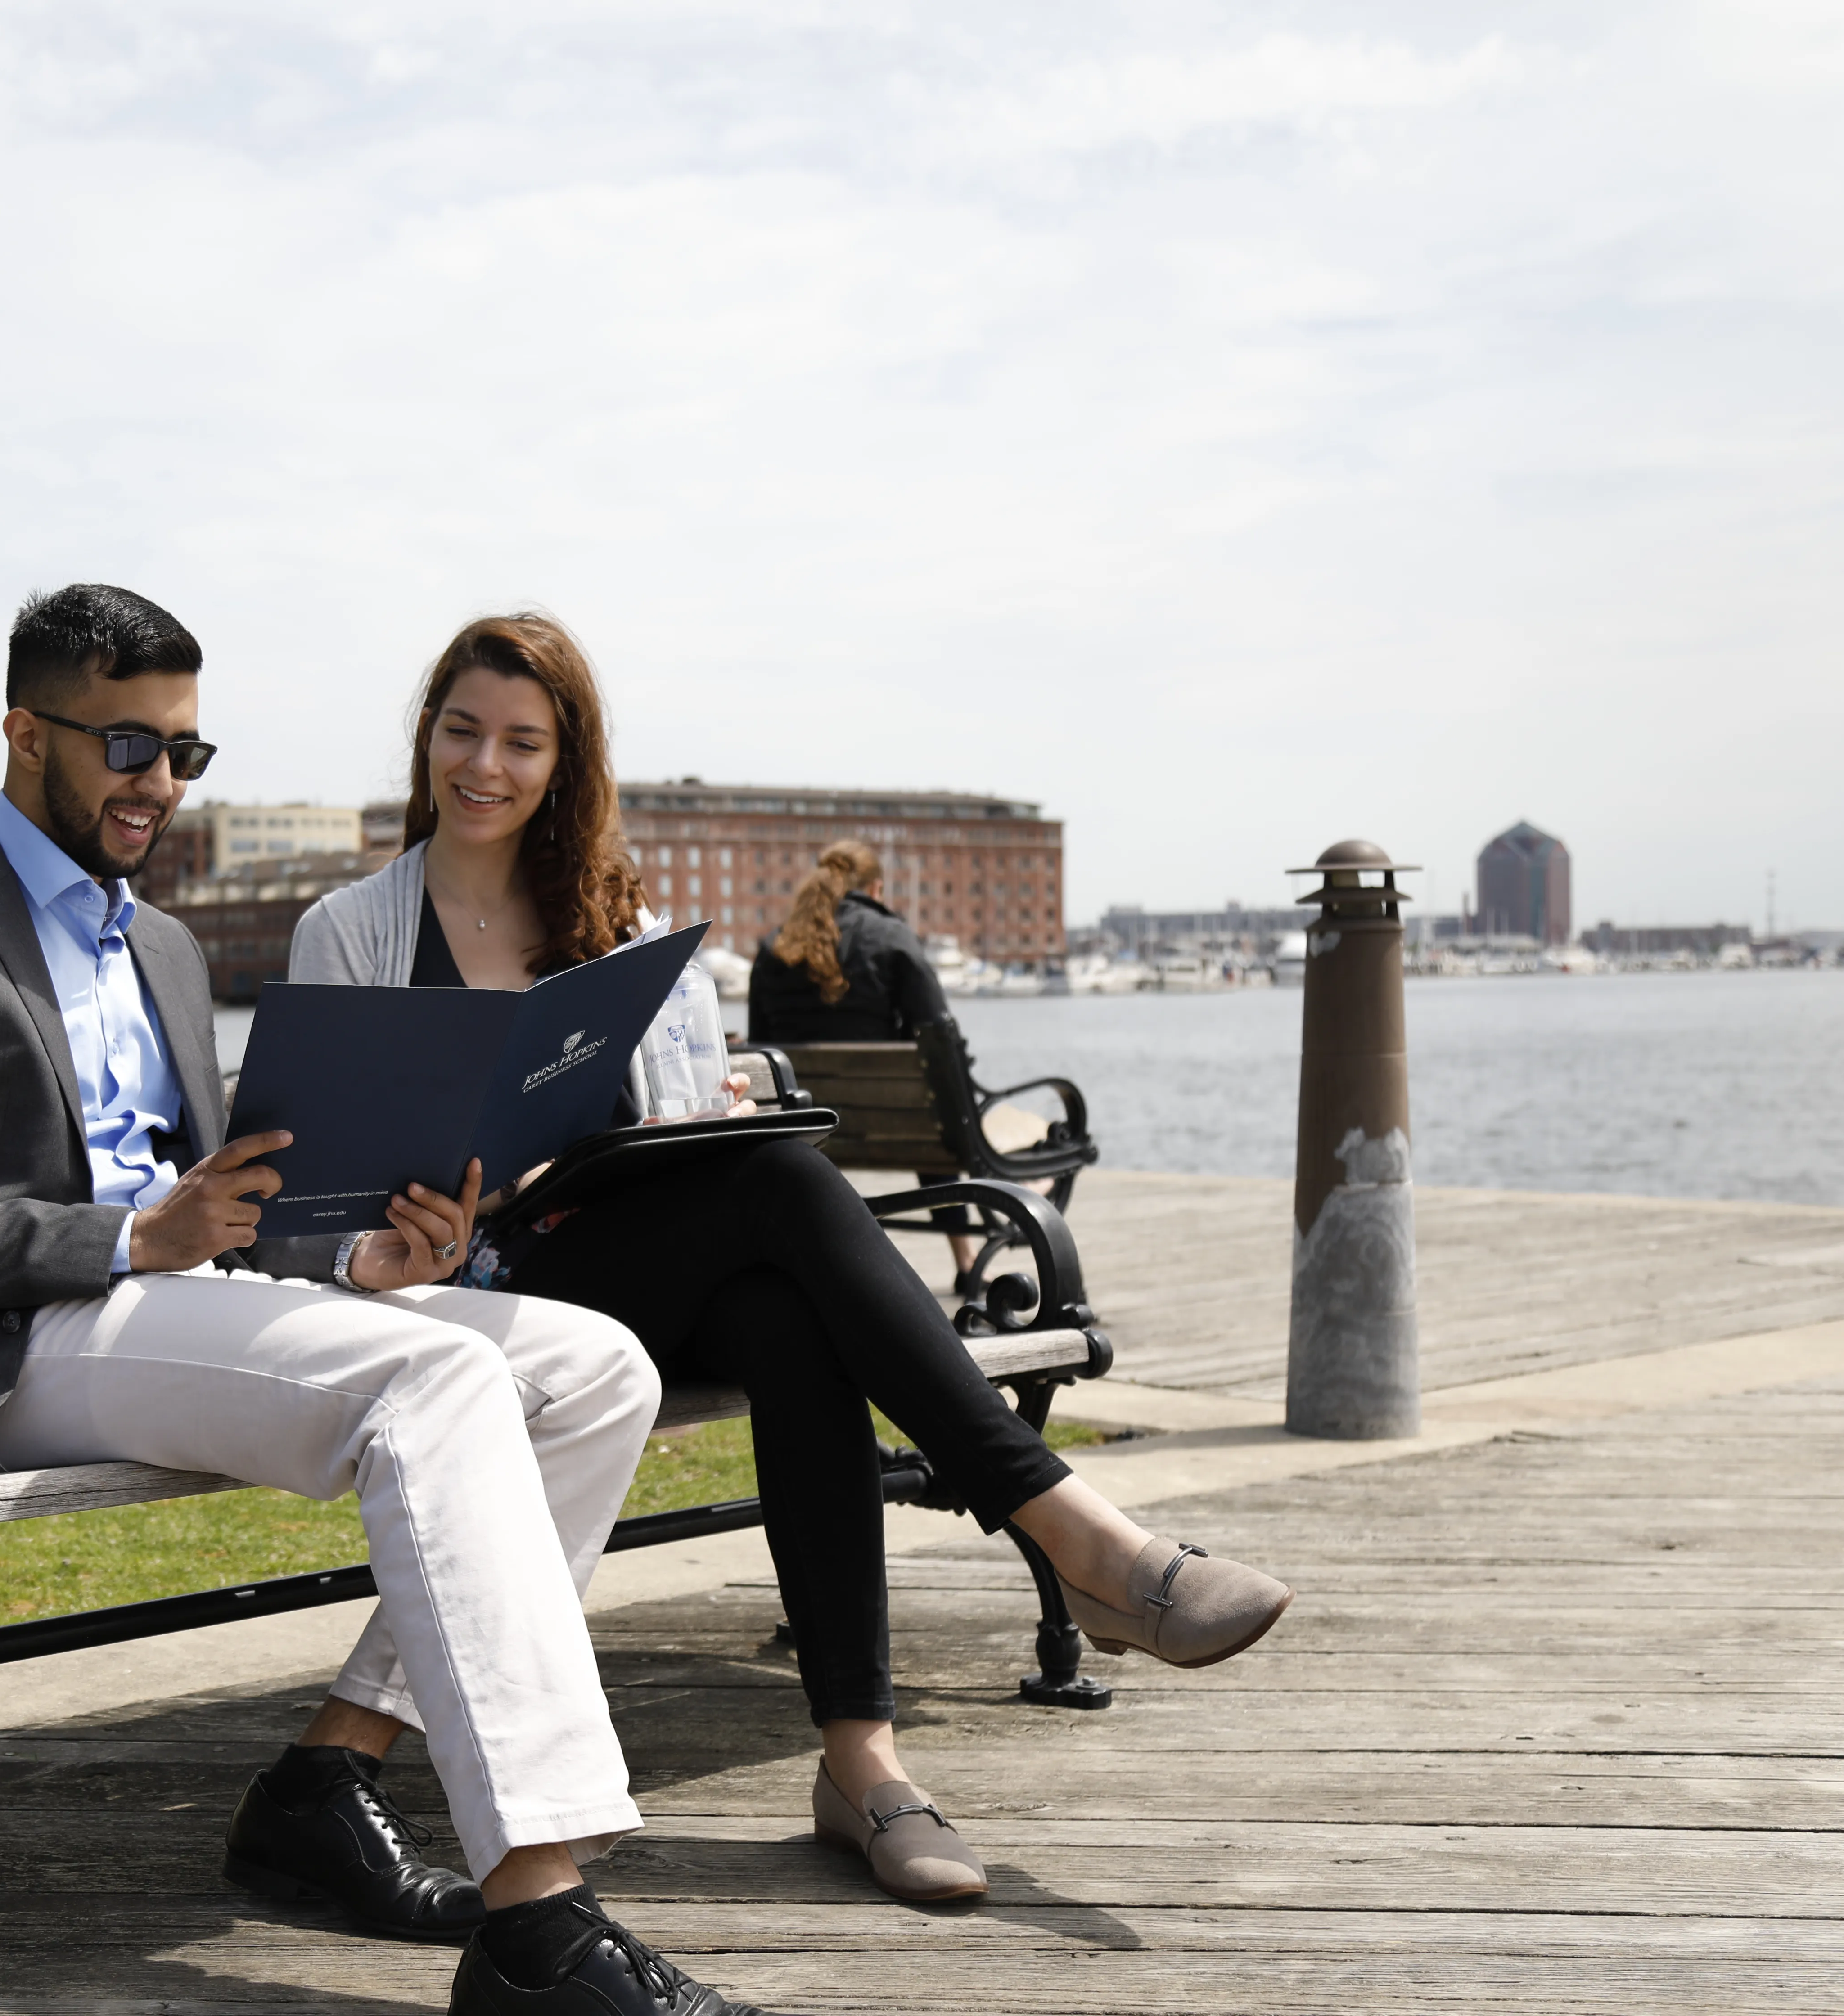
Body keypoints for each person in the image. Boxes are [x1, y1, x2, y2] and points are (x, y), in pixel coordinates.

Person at [0, 585, 780, 2016]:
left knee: (593, 1368)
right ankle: (540, 1916)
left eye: (185, 755)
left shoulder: (166, 945)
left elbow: (232, 1205)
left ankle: (328, 1770)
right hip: (6, 1346)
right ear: (23, 731)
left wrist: (357, 1264)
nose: (160, 785)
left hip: (175, 1300)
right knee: (435, 1385)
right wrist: (135, 1234)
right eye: (129, 746)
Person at [286, 612, 1293, 1910]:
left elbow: (681, 1121)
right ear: (427, 733)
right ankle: (1062, 1560)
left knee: (781, 1299)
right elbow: (302, 1208)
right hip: (466, 1306)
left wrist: (697, 1113)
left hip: (621, 1278)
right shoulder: (350, 931)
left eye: (522, 742)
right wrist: (383, 1248)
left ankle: (868, 1758)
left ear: (566, 760)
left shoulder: (617, 918)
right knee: (782, 1215)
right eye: (463, 730)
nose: (486, 765)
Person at [748, 839, 1025, 1296]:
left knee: (922, 1102)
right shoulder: (893, 936)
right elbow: (940, 1036)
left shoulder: (774, 946)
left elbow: (762, 1049)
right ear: (876, 887)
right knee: (931, 1104)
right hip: (905, 1128)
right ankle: (966, 1258)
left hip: (806, 1132)